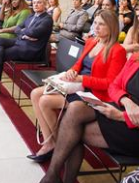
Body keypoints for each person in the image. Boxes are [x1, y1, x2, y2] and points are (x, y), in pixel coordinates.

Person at [38, 19, 139, 183]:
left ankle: (56, 178)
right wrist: (127, 102)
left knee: (73, 131)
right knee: (76, 109)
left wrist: (121, 116)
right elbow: (114, 86)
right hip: (121, 109)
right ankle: (53, 176)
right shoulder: (135, 60)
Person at [28, 10, 126, 163]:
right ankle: (50, 141)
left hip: (94, 93)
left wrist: (81, 78)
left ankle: (60, 144)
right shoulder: (93, 41)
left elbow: (110, 84)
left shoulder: (117, 50)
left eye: (101, 24)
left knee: (45, 101)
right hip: (77, 85)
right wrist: (72, 71)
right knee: (35, 93)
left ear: (112, 27)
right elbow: (79, 63)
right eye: (95, 23)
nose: (96, 27)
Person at [0, 0, 53, 95]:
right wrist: (24, 33)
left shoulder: (47, 19)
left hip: (30, 49)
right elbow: (18, 28)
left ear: (45, 5)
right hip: (21, 41)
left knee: (1, 54)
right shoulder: (31, 16)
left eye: (39, 2)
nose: (35, 4)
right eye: (34, 2)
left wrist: (24, 32)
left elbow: (33, 33)